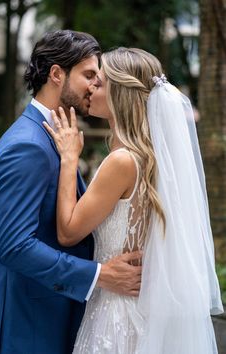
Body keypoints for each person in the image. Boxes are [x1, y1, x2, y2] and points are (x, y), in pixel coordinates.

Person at [44, 47, 224, 354]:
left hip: (117, 316)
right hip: (137, 307)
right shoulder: (153, 159)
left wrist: (69, 159)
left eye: (99, 83)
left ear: (119, 94)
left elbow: (68, 231)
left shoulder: (123, 161)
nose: (90, 87)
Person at [0, 32, 142, 354]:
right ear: (57, 74)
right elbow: (15, 247)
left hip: (58, 316)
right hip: (29, 327)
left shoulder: (57, 136)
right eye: (89, 75)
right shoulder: (27, 146)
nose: (95, 85)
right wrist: (99, 275)